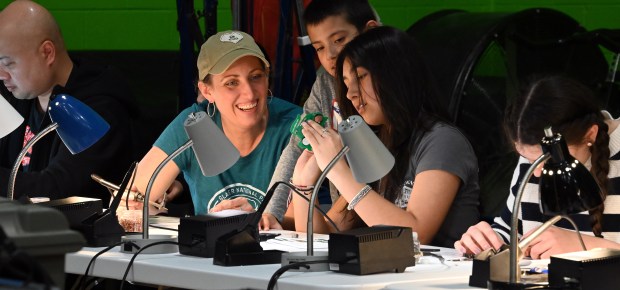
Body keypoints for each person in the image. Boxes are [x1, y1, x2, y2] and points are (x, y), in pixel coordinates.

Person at [288, 26, 480, 247]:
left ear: (396, 73)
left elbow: (414, 236)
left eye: (360, 77)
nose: (350, 93)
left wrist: (337, 170)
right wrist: (303, 185)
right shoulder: (375, 143)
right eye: (346, 82)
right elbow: (321, 240)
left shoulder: (442, 141)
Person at [133, 30, 301, 215]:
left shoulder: (294, 125)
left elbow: (306, 226)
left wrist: (253, 220)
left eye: (256, 77)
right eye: (231, 83)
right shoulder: (193, 124)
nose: (250, 93)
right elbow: (130, 202)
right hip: (206, 243)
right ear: (207, 91)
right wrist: (146, 204)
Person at [454, 75, 620, 258]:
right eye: (527, 158)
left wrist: (584, 246)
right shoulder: (533, 156)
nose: (538, 172)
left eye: (548, 160)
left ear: (590, 135)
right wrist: (485, 240)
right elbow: (513, 233)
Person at [253, 0, 380, 230]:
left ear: (370, 32)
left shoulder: (392, 87)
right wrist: (271, 212)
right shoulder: (324, 82)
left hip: (390, 217)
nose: (330, 55)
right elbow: (298, 145)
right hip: (348, 216)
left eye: (339, 40)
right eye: (319, 47)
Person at [0, 0, 136, 204]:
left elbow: (58, 189)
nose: (2, 75)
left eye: (8, 63)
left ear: (47, 53)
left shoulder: (98, 109)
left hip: (77, 233)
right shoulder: (17, 95)